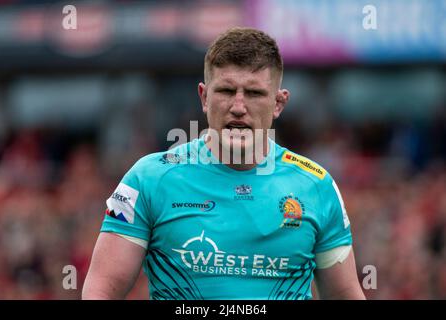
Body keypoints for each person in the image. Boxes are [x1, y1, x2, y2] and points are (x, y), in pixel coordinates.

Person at [82, 27, 365, 300]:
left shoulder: (317, 185)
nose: (239, 107)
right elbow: (101, 290)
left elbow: (345, 295)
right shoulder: (148, 179)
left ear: (278, 103)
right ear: (204, 97)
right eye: (227, 91)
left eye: (254, 93)